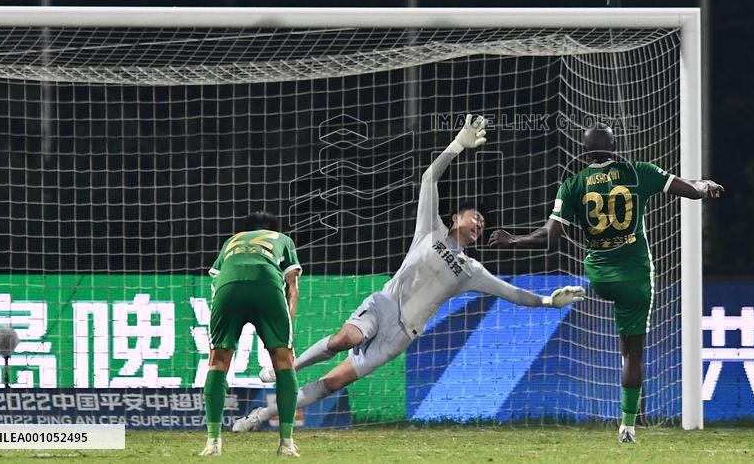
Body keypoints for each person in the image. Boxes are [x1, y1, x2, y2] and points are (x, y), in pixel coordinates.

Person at [232, 115, 585, 432]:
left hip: (402, 334)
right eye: (472, 215)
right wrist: (457, 145)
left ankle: (261, 415)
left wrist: (548, 302)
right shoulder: (429, 232)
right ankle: (287, 368)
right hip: (384, 306)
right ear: (454, 219)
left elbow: (512, 293)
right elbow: (429, 177)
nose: (478, 221)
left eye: (482, 221)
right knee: (344, 340)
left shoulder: (471, 270)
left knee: (333, 383)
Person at [487, 125, 723, 444]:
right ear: (615, 146)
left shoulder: (573, 185)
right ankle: (627, 426)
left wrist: (512, 239)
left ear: (584, 152)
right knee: (632, 355)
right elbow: (691, 191)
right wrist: (706, 184)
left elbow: (549, 238)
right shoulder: (639, 172)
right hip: (635, 276)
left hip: (598, 275)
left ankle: (590, 292)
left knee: (619, 330)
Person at [200, 211, 303, 457]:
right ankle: (286, 444)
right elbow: (292, 286)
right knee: (283, 361)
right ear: (272, 229)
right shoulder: (282, 239)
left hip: (228, 287)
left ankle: (213, 443)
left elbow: (215, 285)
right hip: (266, 285)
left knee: (218, 362)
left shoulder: (231, 242)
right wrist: (287, 329)